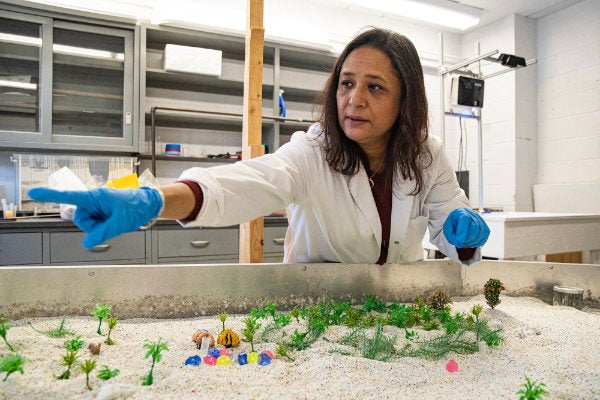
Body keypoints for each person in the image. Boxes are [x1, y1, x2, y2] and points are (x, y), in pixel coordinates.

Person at [28, 27, 489, 265]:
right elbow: (247, 183)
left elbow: (451, 219)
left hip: (399, 312)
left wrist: (462, 232)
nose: (354, 99)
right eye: (347, 83)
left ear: (406, 99)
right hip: (317, 309)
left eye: (375, 87)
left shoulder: (427, 154)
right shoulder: (313, 151)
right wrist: (154, 200)